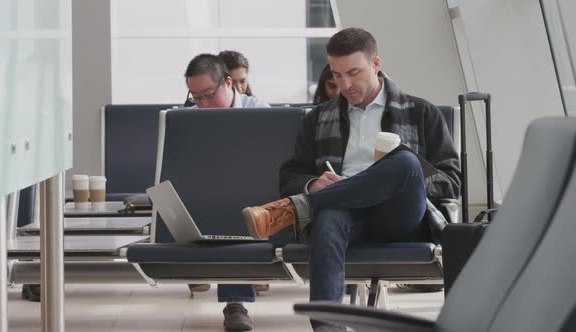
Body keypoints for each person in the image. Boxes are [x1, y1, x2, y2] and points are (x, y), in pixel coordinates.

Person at [242, 28, 460, 331]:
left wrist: (399, 178)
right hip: (345, 216)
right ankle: (327, 327)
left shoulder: (421, 113)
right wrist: (310, 183)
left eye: (353, 73)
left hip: (401, 217)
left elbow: (451, 180)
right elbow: (290, 173)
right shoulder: (318, 119)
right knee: (329, 216)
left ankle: (297, 208)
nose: (345, 84)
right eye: (337, 75)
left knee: (406, 161)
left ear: (376, 64)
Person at [184, 53, 269, 332]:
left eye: (209, 94)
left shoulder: (262, 113)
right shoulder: (186, 120)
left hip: (257, 201)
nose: (203, 104)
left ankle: (235, 303)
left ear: (229, 83)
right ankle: (230, 298)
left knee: (239, 205)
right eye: (196, 97)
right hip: (208, 200)